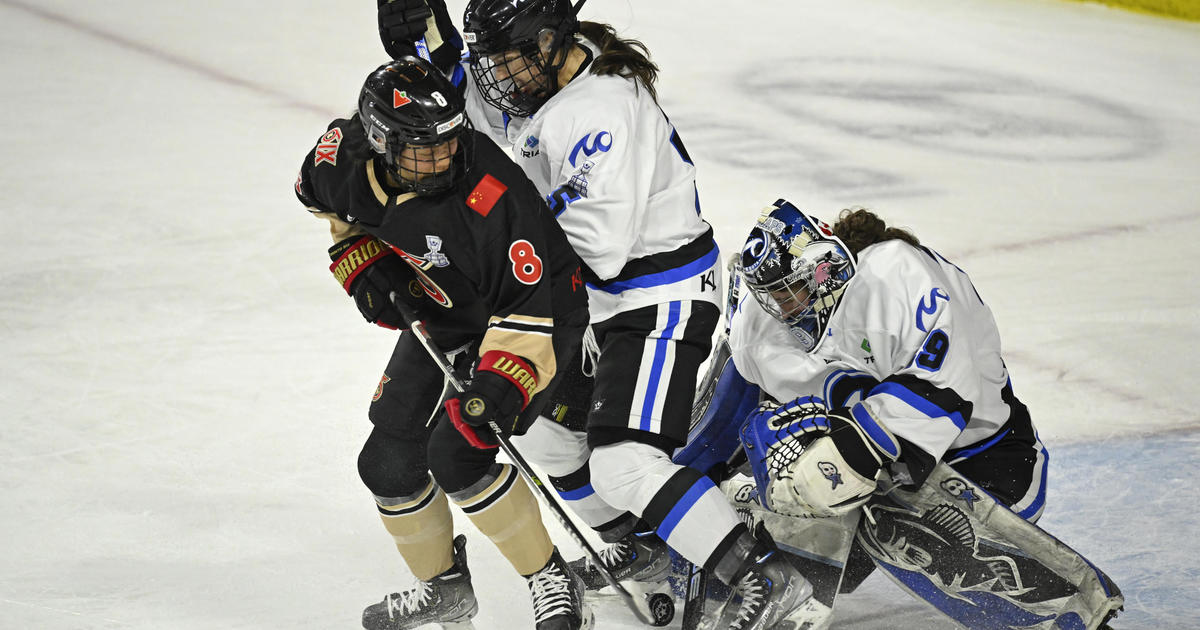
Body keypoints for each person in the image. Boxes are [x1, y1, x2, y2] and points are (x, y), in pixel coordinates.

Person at [375, 2, 821, 627]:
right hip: (595, 309)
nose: (498, 74)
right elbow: (468, 116)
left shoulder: (601, 111)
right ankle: (652, 552)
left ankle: (767, 580)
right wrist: (427, 43)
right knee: (543, 431)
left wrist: (477, 274)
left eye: (508, 57)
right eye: (493, 57)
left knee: (624, 462)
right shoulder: (548, 75)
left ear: (550, 41)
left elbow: (598, 248)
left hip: (658, 302)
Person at [294, 56, 593, 630]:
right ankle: (445, 588)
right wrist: (358, 256)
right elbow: (321, 199)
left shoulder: (490, 196)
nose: (441, 158)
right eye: (422, 150)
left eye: (449, 143)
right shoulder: (341, 158)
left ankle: (552, 578)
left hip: (539, 316)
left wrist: (497, 387)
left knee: (458, 450)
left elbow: (528, 313)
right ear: (380, 141)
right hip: (446, 308)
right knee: (387, 464)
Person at [727, 200, 1123, 629]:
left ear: (821, 269)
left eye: (787, 293)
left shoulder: (899, 278)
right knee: (808, 516)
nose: (781, 310)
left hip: (988, 463)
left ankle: (1069, 610)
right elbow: (757, 373)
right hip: (894, 456)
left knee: (891, 517)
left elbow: (943, 392)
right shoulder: (779, 314)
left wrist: (838, 460)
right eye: (771, 297)